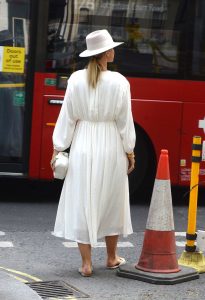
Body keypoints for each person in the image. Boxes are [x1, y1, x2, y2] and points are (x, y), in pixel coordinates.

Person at [51, 29, 136, 277]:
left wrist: (58, 148)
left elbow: (67, 117)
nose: (114, 51)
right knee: (112, 198)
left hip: (83, 144)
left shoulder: (76, 79)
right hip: (111, 144)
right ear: (106, 53)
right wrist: (129, 151)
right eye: (111, 48)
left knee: (82, 200)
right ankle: (111, 257)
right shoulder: (120, 82)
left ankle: (86, 264)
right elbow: (125, 121)